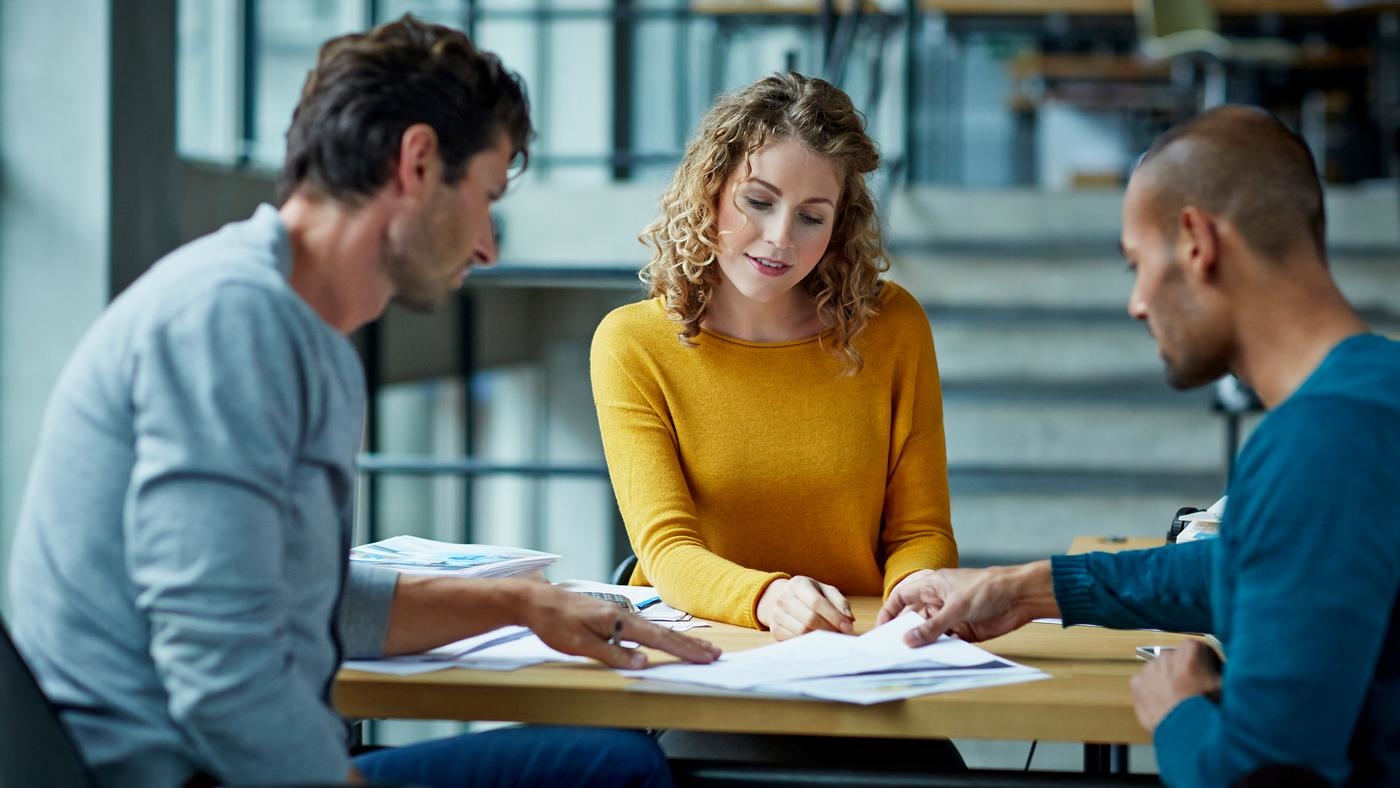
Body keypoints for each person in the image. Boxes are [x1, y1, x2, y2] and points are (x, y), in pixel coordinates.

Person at [6, 16, 718, 788]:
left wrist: (524, 605)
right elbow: (220, 667)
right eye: (485, 196)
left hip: (222, 762)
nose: (488, 246)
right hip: (173, 773)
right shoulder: (228, 321)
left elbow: (302, 601)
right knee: (611, 771)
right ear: (416, 163)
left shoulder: (296, 328)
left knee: (609, 759)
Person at [879, 106, 1400, 787]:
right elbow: (1263, 568)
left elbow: (1266, 776)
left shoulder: (1317, 445)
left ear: (1195, 242)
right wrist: (1031, 588)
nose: (1136, 303)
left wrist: (1178, 710)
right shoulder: (1376, 390)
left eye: (1136, 263)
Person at [591, 72, 957, 641]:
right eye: (758, 202)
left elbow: (921, 530)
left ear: (838, 226)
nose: (781, 237)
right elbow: (667, 548)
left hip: (860, 647)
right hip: (697, 650)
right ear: (708, 191)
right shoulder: (633, 344)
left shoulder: (892, 328)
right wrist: (768, 598)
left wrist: (914, 589)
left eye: (812, 216)